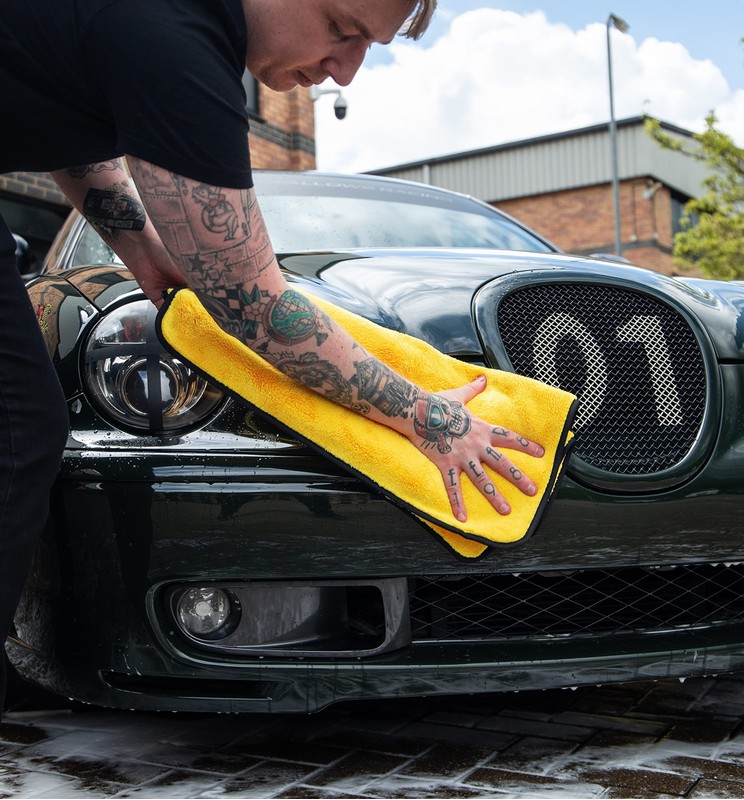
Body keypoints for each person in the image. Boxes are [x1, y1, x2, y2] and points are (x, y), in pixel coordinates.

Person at [0, 0, 545, 710]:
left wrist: (141, 247)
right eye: (342, 30)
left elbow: (69, 126)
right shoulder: (180, 36)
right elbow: (256, 304)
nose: (344, 72)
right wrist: (428, 418)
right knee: (15, 427)